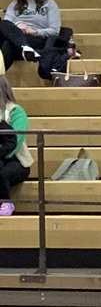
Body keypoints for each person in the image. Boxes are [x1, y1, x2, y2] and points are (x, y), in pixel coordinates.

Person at [0, 0, 65, 77]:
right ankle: (25, 47)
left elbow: (55, 30)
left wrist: (33, 31)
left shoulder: (49, 4)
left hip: (37, 40)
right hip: (17, 41)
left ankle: (25, 48)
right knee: (3, 25)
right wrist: (18, 26)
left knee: (8, 44)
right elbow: (7, 26)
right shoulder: (14, 5)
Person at [0, 76, 32, 217]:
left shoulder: (17, 112)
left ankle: (6, 203)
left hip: (17, 160)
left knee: (2, 174)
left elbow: (16, 141)